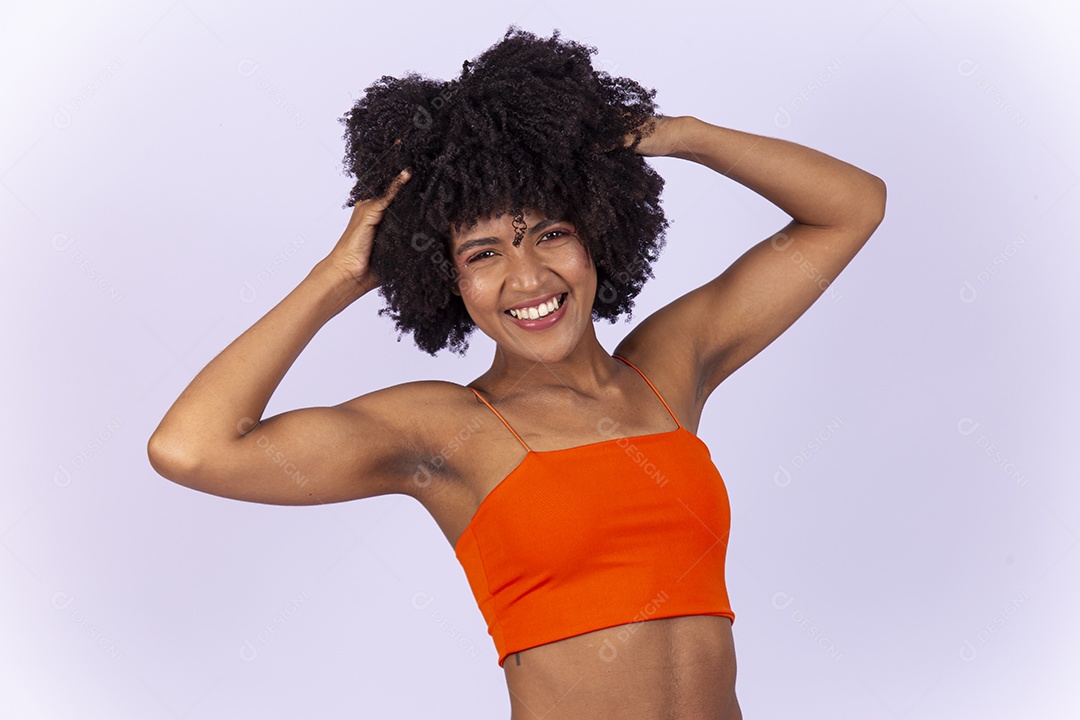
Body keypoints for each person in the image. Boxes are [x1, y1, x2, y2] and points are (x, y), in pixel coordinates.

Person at [148, 26, 885, 720]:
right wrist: (336, 276)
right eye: (484, 252)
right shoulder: (447, 429)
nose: (528, 277)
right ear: (447, 279)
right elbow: (192, 448)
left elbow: (851, 207)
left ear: (596, 232)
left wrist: (672, 134)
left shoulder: (667, 369)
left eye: (550, 233)